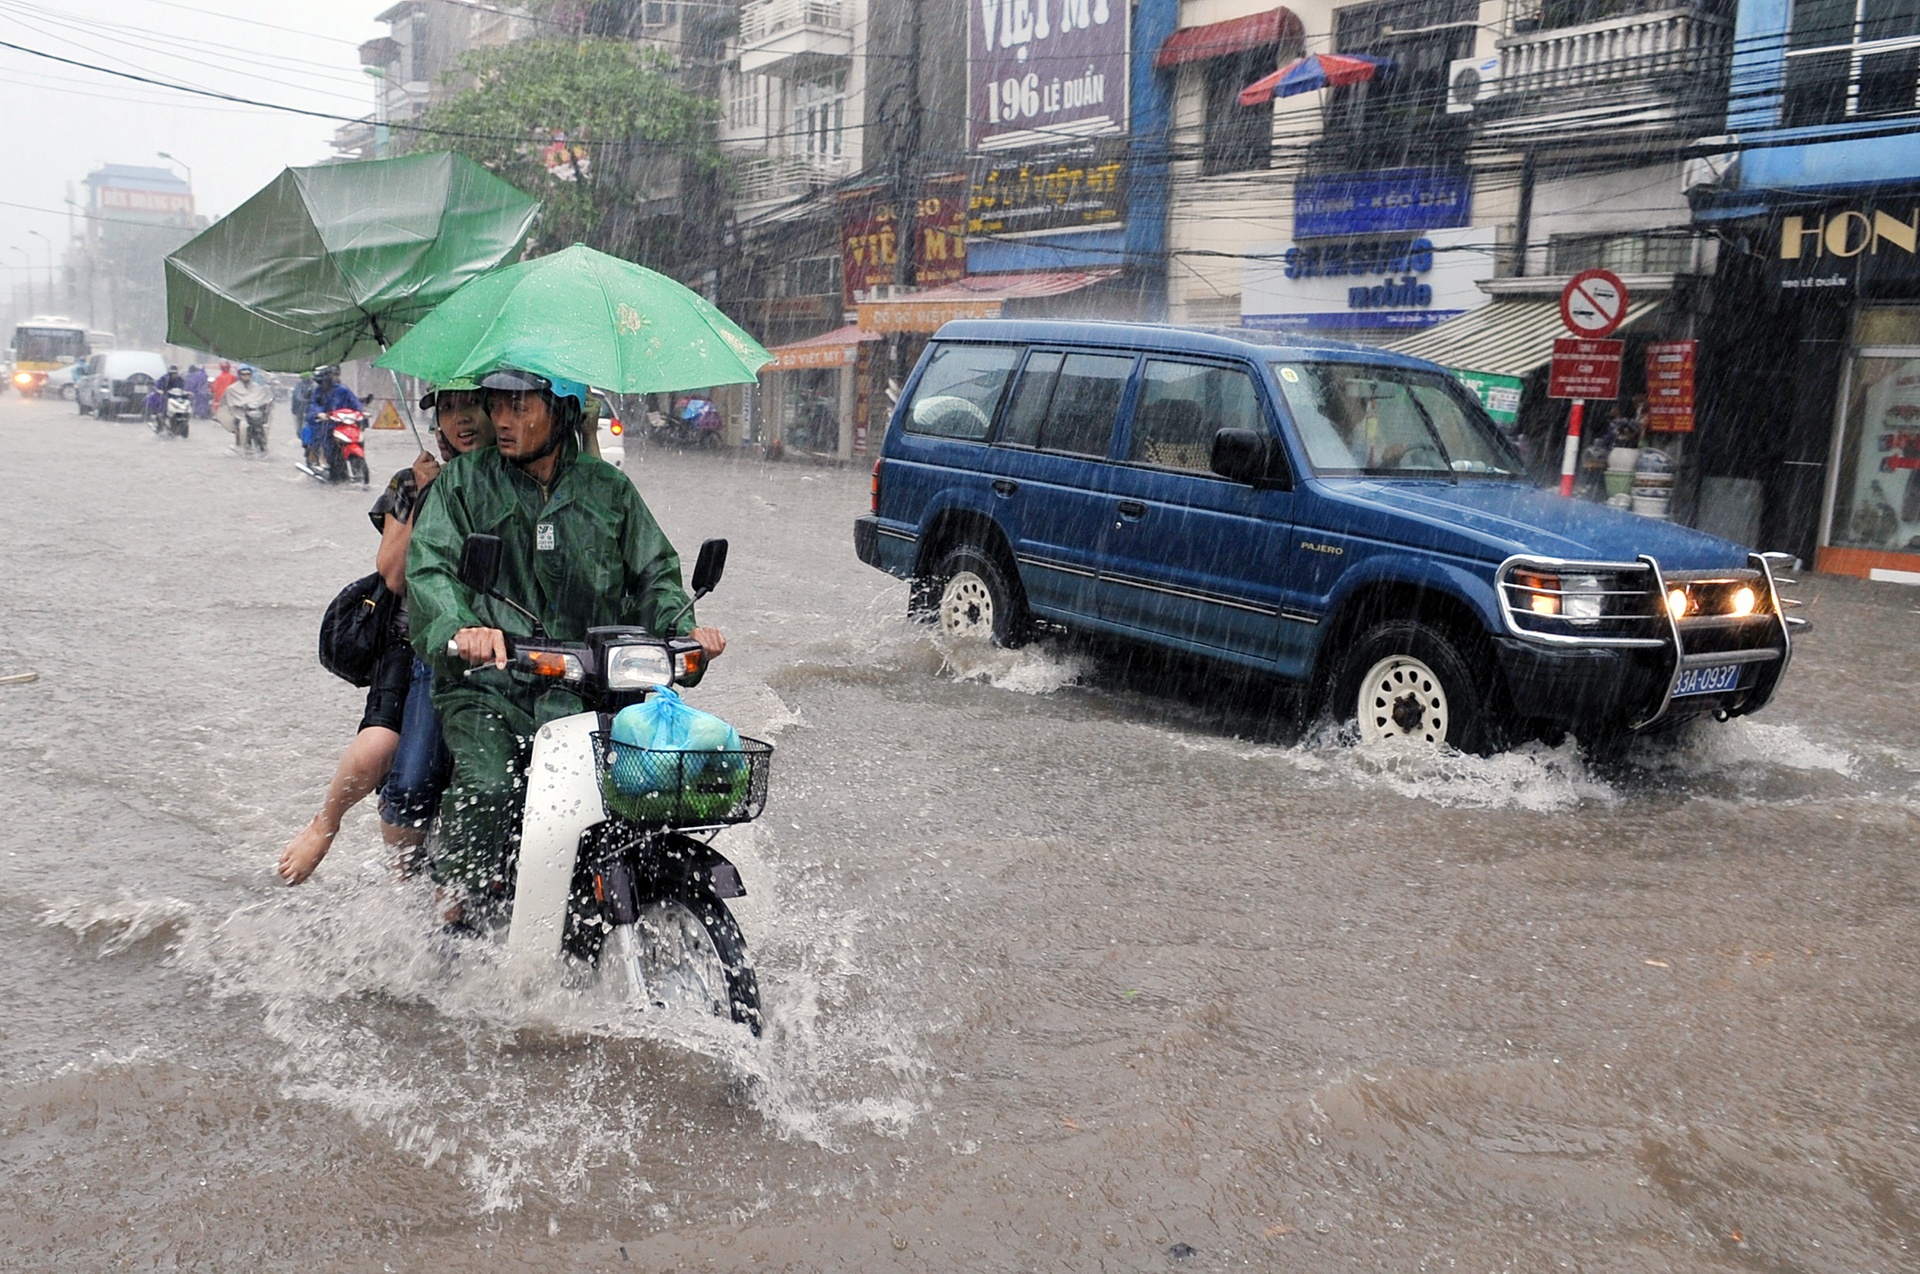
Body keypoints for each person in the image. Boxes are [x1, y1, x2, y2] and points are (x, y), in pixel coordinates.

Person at [406, 368, 727, 911]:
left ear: (562, 411)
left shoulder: (610, 490)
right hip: (490, 687)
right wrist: (463, 628)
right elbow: (429, 570)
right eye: (497, 406)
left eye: (520, 407)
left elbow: (655, 575)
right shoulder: (462, 485)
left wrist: (683, 633)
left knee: (637, 794)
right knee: (490, 788)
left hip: (585, 686)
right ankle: (455, 898)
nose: (502, 421)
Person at [278, 383, 496, 885]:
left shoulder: (508, 479)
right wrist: (423, 495)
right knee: (383, 747)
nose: (460, 419)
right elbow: (395, 574)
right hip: (411, 636)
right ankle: (330, 827)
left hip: (487, 643)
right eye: (447, 409)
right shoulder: (410, 483)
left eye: (471, 406)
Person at [302, 365, 363, 475]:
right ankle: (326, 465)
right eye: (320, 382)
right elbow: (313, 406)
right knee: (328, 447)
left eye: (324, 382)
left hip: (344, 425)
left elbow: (355, 403)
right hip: (326, 426)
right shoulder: (317, 392)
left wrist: (361, 412)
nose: (322, 385)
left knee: (358, 439)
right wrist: (319, 414)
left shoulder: (343, 390)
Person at [217, 364, 275, 447]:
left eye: (248, 374)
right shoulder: (232, 389)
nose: (246, 376)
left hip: (256, 415)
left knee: (262, 428)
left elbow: (265, 398)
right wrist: (239, 406)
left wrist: (265, 404)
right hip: (240, 415)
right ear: (239, 375)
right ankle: (239, 444)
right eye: (243, 374)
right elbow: (227, 402)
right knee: (239, 427)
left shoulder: (257, 387)